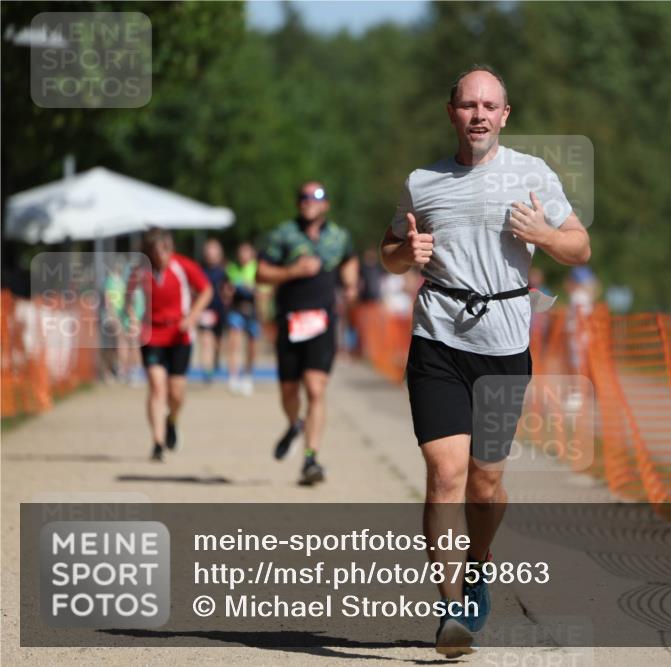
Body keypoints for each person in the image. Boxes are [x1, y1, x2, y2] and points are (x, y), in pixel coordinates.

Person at [380, 65, 591, 657]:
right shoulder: (422, 182)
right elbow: (390, 252)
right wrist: (406, 251)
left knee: (485, 482)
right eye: (467, 105)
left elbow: (580, 246)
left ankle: (480, 560)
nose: (478, 114)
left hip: (503, 346)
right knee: (445, 475)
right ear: (452, 113)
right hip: (438, 340)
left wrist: (544, 236)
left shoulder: (533, 175)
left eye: (488, 106)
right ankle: (450, 612)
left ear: (504, 116)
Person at [257, 182, 359, 486]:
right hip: (289, 321)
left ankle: (311, 459)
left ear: (326, 204)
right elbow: (261, 273)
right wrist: (293, 271)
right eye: (303, 197)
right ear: (297, 203)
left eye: (315, 198)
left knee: (315, 388)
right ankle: (294, 423)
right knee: (289, 390)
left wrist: (350, 282)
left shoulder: (339, 236)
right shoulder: (283, 234)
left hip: (322, 323)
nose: (309, 203)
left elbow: (349, 257)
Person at [127, 228, 213, 461]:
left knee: (176, 392)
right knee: (157, 387)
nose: (161, 256)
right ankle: (157, 442)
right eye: (156, 251)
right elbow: (128, 299)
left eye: (165, 250)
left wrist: (192, 316)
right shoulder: (141, 270)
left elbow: (206, 290)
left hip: (179, 334)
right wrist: (133, 319)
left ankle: (171, 420)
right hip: (152, 334)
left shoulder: (183, 266)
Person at [225, 242, 261, 396]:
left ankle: (247, 375)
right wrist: (229, 291)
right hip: (236, 310)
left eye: (246, 252)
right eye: (241, 252)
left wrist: (252, 288)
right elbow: (225, 292)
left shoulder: (258, 268)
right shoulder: (232, 269)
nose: (243, 256)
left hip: (253, 311)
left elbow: (265, 292)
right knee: (234, 342)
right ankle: (233, 376)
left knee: (252, 346)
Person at [196, 238, 228, 383]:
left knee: (217, 341)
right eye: (208, 250)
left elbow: (229, 290)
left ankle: (215, 359)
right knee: (206, 339)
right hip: (206, 309)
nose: (211, 253)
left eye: (214, 250)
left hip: (220, 309)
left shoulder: (225, 271)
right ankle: (207, 370)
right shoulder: (199, 271)